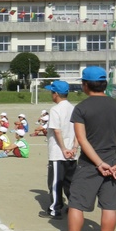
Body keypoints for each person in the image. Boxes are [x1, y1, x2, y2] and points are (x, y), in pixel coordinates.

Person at [52, 66, 116, 231]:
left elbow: (82, 139)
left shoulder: (82, 108)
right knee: (109, 206)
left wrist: (98, 163)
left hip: (90, 163)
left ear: (85, 85)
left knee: (77, 204)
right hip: (113, 161)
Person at [39, 80, 77, 220]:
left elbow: (57, 130)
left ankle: (55, 209)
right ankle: (74, 207)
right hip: (72, 153)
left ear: (55, 94)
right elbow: (78, 130)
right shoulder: (73, 108)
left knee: (55, 182)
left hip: (58, 152)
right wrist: (74, 148)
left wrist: (63, 148)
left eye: (52, 92)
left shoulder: (55, 109)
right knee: (70, 182)